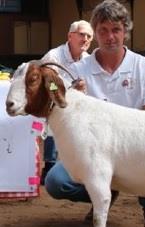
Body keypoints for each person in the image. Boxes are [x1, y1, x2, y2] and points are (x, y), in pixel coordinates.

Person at [44, 0, 145, 227]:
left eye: (116, 30)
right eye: (103, 30)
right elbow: (51, 89)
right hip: (94, 152)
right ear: (95, 33)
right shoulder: (76, 70)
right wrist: (64, 88)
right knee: (55, 182)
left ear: (126, 32)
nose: (110, 36)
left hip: (136, 148)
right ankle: (102, 195)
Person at [40, 20, 94, 182]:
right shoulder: (54, 56)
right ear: (70, 36)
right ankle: (49, 164)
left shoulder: (88, 59)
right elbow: (49, 85)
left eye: (89, 36)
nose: (85, 39)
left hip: (75, 105)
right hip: (49, 99)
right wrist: (68, 93)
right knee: (58, 111)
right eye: (81, 34)